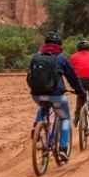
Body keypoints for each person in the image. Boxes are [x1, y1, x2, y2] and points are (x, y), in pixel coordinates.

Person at [28, 32, 84, 164]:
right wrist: (79, 91)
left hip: (37, 95)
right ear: (60, 45)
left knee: (43, 105)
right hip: (57, 96)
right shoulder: (62, 58)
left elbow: (30, 75)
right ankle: (63, 148)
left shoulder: (36, 57)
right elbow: (73, 78)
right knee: (64, 118)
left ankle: (37, 126)